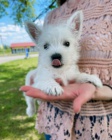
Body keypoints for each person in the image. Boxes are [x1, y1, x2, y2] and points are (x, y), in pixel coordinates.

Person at [20, 0, 112, 139]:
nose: (56, 52)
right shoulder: (50, 15)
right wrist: (49, 83)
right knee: (29, 94)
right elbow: (41, 80)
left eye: (66, 43)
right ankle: (30, 107)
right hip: (53, 123)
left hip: (96, 128)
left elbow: (75, 76)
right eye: (46, 46)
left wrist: (89, 79)